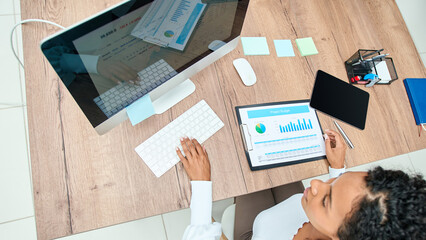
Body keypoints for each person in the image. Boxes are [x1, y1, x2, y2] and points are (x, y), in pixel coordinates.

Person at [176, 130, 426, 240]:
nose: (316, 183)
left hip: (255, 234)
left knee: (242, 170)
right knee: (259, 156)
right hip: (292, 210)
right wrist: (338, 169)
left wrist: (200, 184)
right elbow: (348, 203)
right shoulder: (332, 211)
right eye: (334, 182)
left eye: (327, 201)